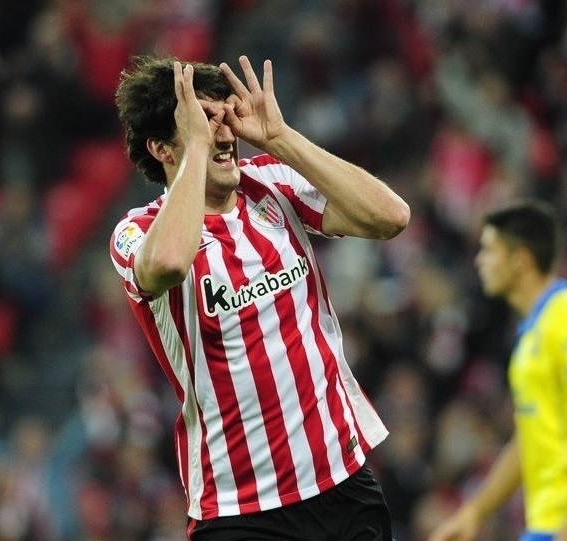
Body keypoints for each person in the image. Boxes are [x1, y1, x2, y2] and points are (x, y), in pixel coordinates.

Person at [109, 55, 409, 540]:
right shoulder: (136, 231)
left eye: (226, 117)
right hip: (240, 510)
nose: (224, 134)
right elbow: (165, 264)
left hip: (342, 481)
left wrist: (281, 139)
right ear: (163, 148)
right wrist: (195, 154)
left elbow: (390, 217)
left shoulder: (274, 184)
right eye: (204, 123)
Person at [430, 200, 567, 541]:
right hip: (549, 525)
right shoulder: (533, 333)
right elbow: (527, 440)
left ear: (521, 260)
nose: (479, 260)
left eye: (489, 250)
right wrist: (474, 512)